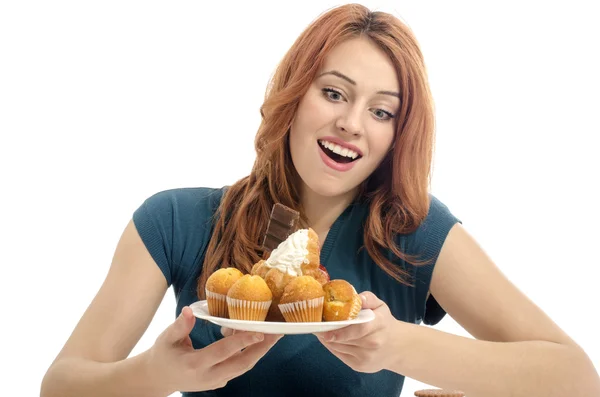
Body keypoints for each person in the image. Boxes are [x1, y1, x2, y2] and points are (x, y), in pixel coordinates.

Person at [40, 3, 600, 397]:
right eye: (333, 92)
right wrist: (157, 375)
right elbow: (61, 385)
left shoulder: (415, 233)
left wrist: (396, 346)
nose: (351, 124)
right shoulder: (175, 221)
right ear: (293, 93)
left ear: (398, 134)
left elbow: (575, 378)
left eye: (382, 111)